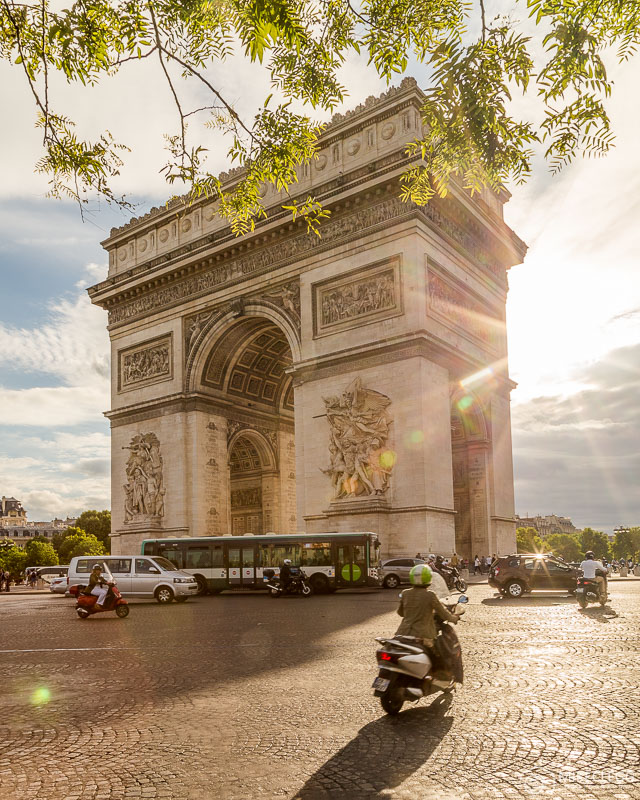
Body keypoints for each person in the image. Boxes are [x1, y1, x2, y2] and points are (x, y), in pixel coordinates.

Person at [395, 564, 461, 683]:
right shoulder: (430, 595)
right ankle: (440, 678)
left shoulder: (405, 593)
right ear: (428, 578)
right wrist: (454, 618)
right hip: (423, 635)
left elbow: (400, 613)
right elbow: (443, 613)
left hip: (402, 633)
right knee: (439, 654)